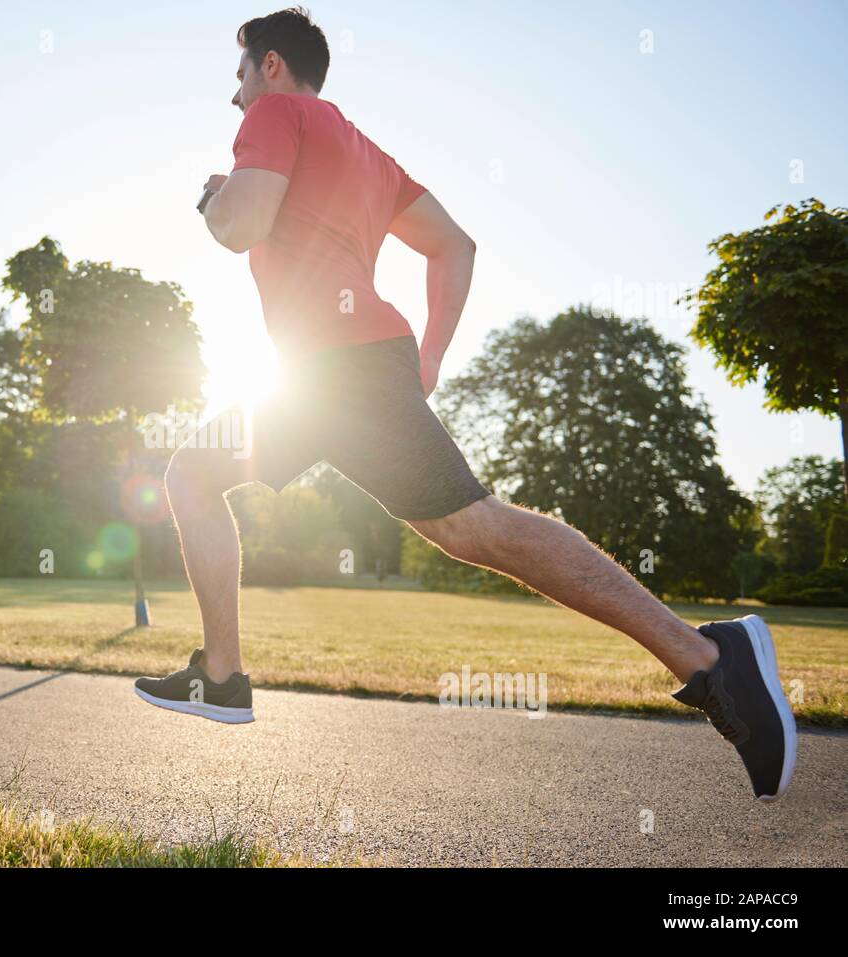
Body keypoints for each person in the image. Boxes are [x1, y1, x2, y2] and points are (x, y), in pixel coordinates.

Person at [134, 7, 796, 801]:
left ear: (273, 66)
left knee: (470, 522)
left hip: (334, 371)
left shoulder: (277, 113)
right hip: (335, 372)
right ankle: (222, 673)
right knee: (227, 480)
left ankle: (711, 656)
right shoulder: (367, 153)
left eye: (239, 75)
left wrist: (217, 199)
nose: (234, 97)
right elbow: (457, 245)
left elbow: (240, 226)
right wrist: (431, 354)